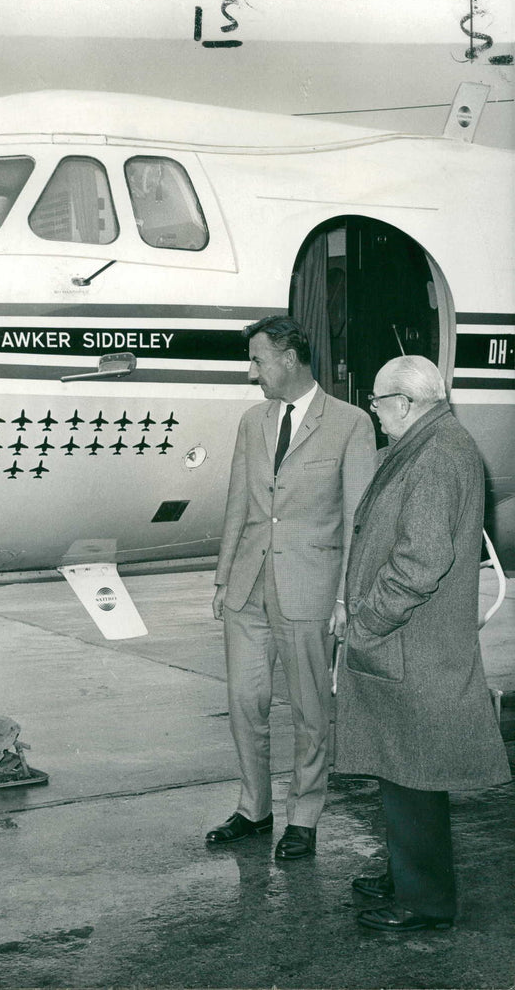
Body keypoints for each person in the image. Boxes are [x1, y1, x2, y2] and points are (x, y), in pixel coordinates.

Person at [334, 355, 509, 931]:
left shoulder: (436, 455)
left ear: (405, 403)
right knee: (400, 767)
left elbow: (418, 564)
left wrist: (365, 623)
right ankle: (404, 874)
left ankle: (425, 901)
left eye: (379, 403)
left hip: (412, 644)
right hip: (410, 647)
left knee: (414, 776)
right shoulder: (430, 443)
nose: (375, 413)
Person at [207, 315, 377, 859]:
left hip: (311, 589)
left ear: (289, 358)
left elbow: (358, 519)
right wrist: (221, 576)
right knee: (244, 702)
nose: (251, 371)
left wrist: (348, 597)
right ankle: (254, 809)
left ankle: (304, 815)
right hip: (247, 586)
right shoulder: (252, 421)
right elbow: (238, 501)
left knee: (309, 710)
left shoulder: (350, 424)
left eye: (257, 360)